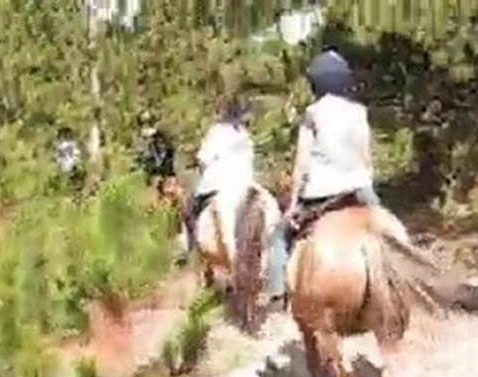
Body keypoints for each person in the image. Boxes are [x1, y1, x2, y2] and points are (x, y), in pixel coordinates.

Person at [264, 48, 415, 310]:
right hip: (359, 188)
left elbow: (301, 164)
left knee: (278, 237)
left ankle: (277, 294)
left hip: (321, 193)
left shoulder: (313, 113)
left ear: (316, 83)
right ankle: (412, 277)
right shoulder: (358, 111)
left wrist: (291, 205)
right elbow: (366, 158)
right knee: (393, 231)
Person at [177, 97, 256, 261]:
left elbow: (203, 160)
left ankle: (189, 248)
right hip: (247, 184)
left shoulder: (216, 132)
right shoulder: (244, 133)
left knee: (189, 208)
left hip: (219, 185)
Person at [136, 109, 177, 195]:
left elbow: (167, 154)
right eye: (144, 124)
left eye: (148, 123)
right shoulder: (142, 141)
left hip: (163, 175)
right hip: (153, 176)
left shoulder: (160, 137)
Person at [53, 126, 84, 191]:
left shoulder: (60, 146)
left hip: (66, 166)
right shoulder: (72, 144)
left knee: (71, 177)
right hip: (71, 164)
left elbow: (58, 158)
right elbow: (77, 154)